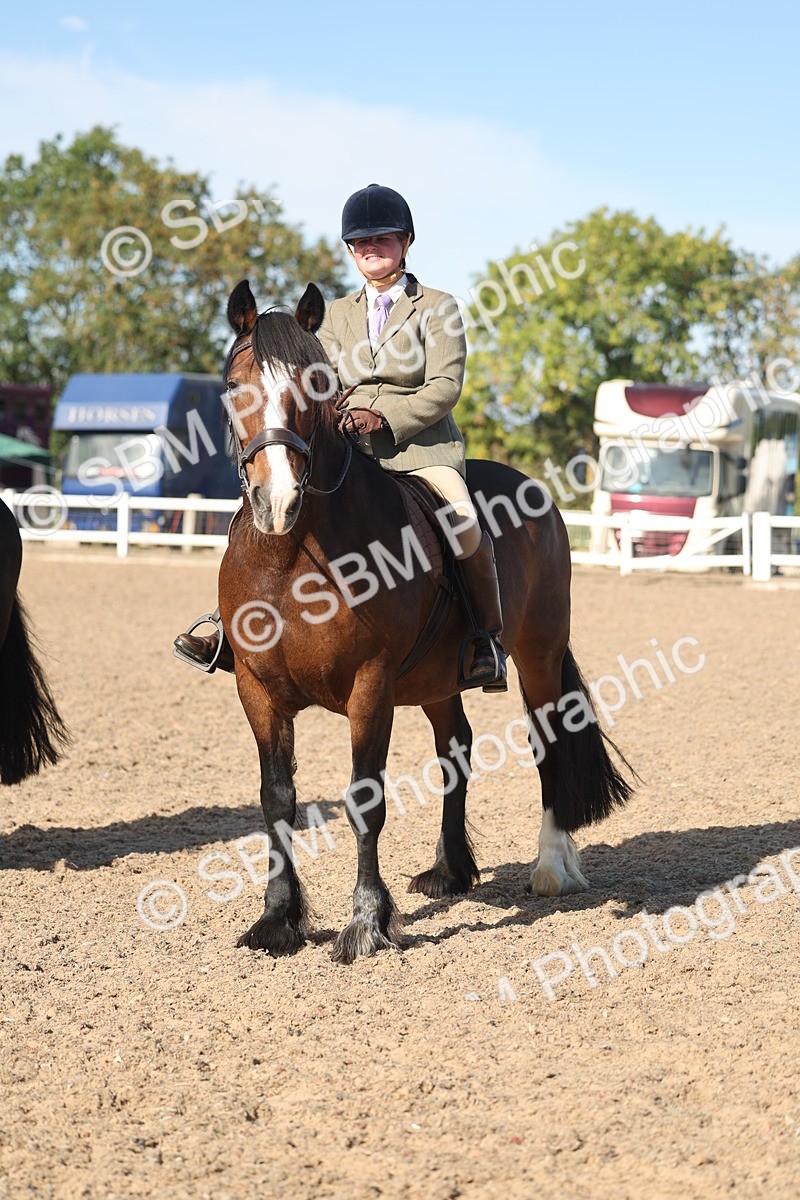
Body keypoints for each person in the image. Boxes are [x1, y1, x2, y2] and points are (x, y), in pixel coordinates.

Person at [174, 183, 506, 691]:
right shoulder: (333, 315)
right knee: (265, 512)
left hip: (420, 451)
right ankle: (228, 628)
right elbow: (313, 384)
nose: (371, 247)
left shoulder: (438, 307)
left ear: (406, 242)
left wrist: (384, 417)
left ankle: (485, 638)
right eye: (361, 241)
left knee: (463, 523)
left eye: (383, 238)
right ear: (351, 251)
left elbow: (445, 387)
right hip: (349, 451)